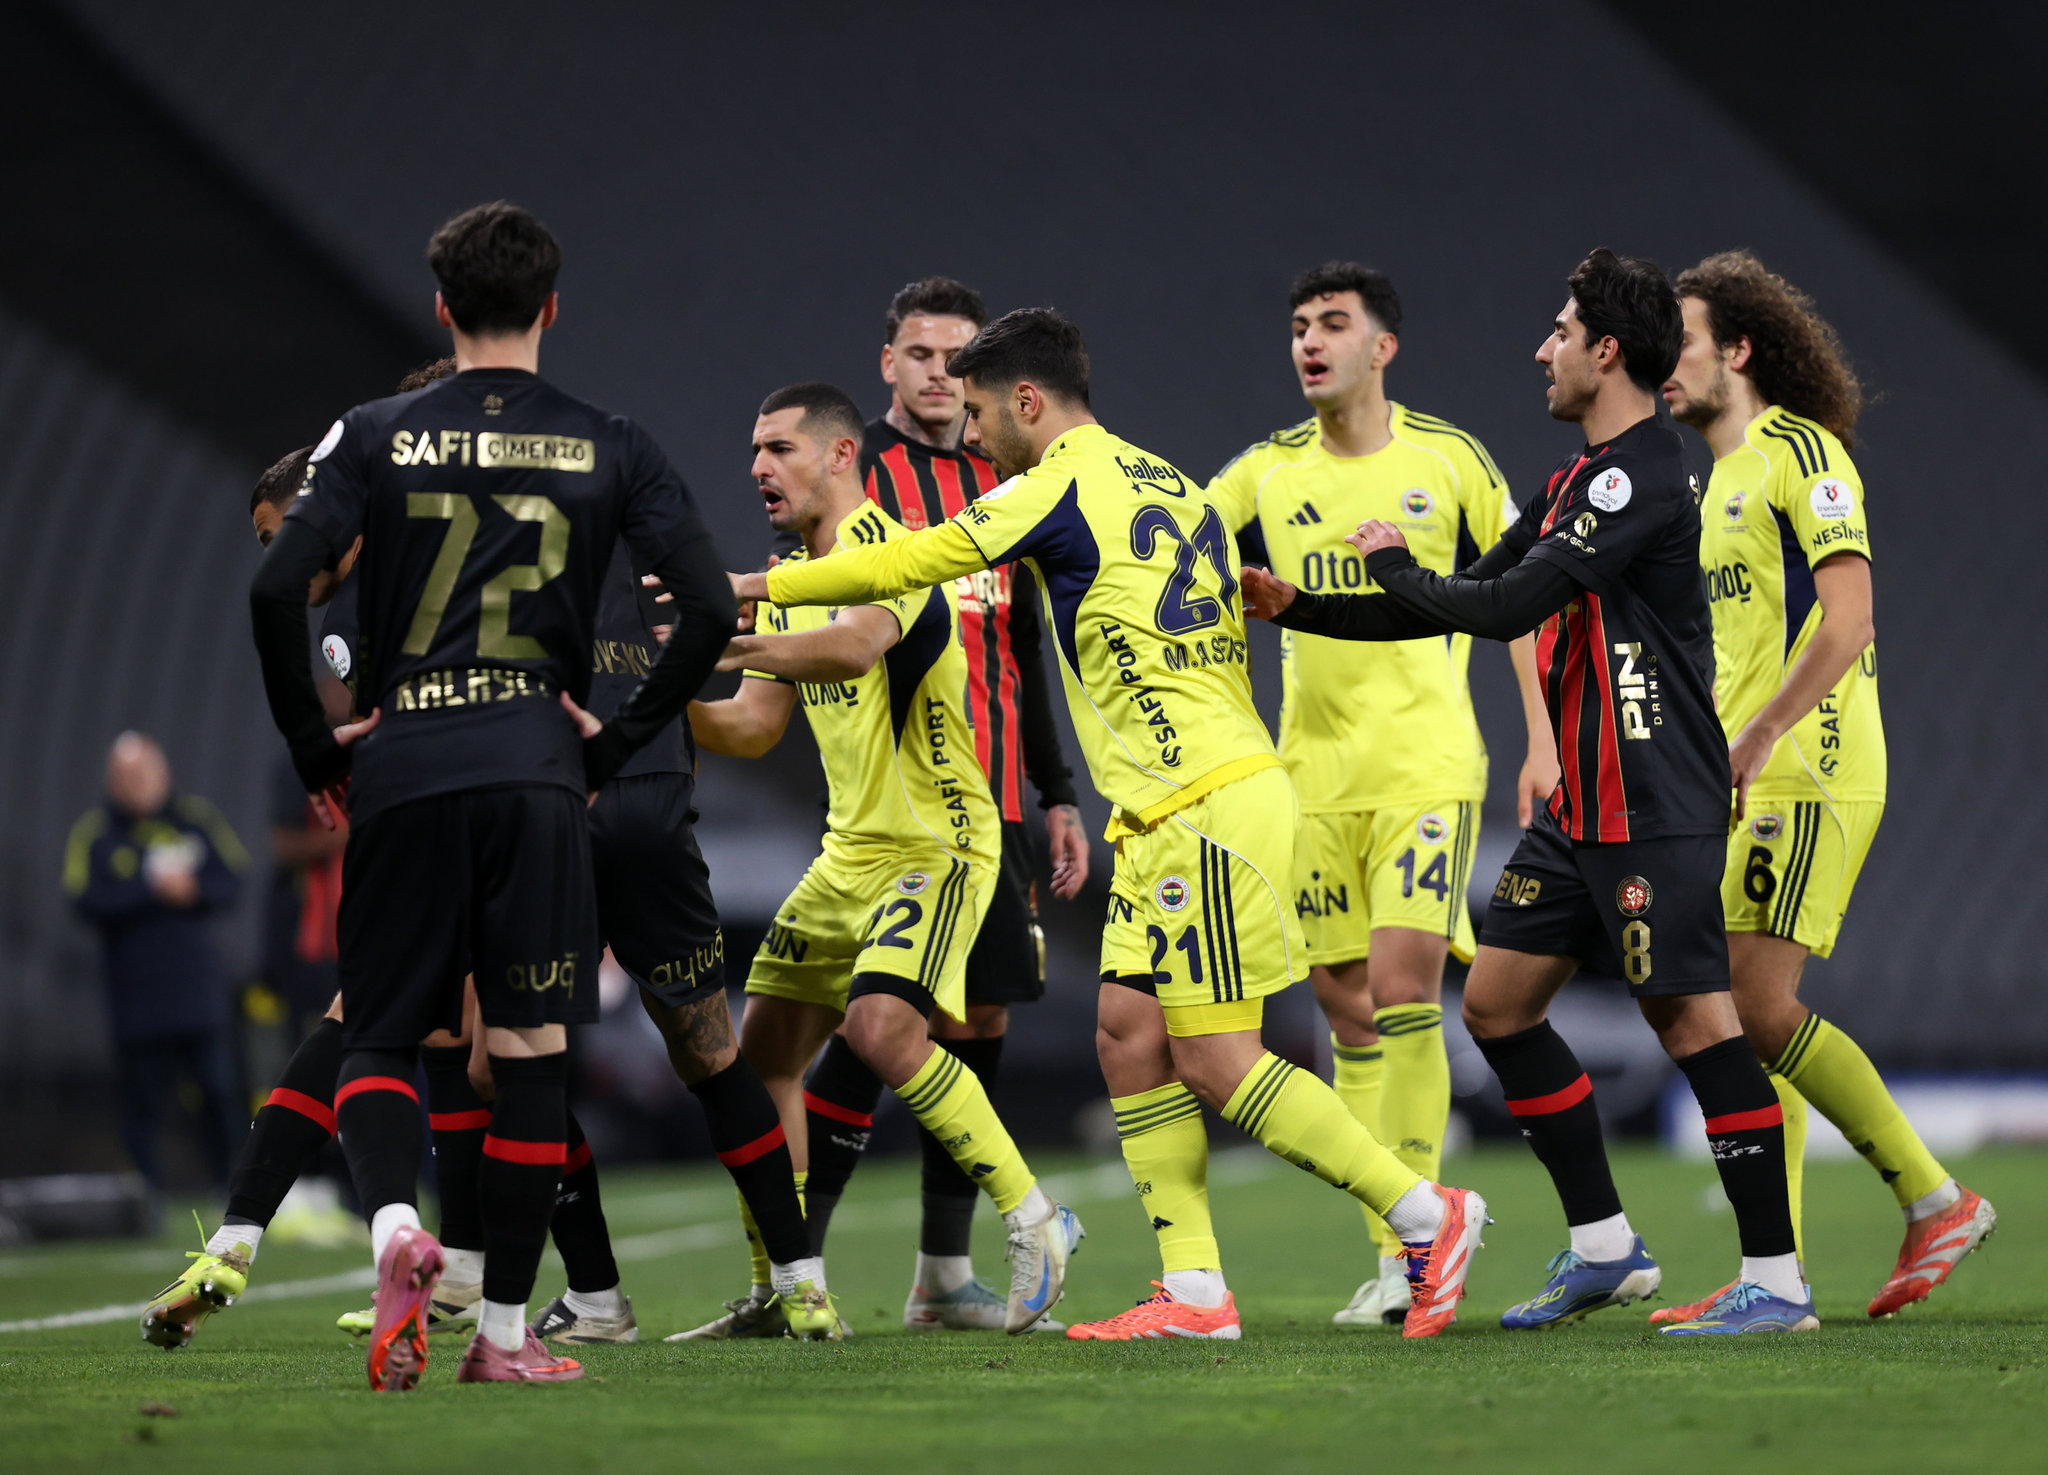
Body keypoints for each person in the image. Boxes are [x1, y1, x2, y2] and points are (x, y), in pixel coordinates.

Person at [735, 312, 1487, 1343]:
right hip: (1164, 810)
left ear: (1027, 401)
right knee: (1128, 1036)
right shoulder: (1174, 482)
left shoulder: (1055, 482)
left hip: (1202, 805)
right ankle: (1194, 1290)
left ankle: (1425, 1212)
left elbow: (910, 562)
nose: (974, 434)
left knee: (1217, 1059)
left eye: (983, 412)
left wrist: (751, 587)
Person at [1244, 248, 1813, 1336]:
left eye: (1560, 332)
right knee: (1498, 1004)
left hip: (1650, 795)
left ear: (1607, 351)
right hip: (1576, 812)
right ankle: (1603, 1246)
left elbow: (1504, 608)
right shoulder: (1569, 482)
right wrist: (1300, 606)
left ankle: (1776, 1283)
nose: (1541, 349)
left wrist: (1389, 560)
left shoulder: (1637, 475)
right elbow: (1462, 594)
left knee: (1694, 1020)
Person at [247, 201, 737, 1388]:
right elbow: (711, 608)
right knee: (525, 1053)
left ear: (440, 307)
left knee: (379, 1029)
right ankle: (506, 1337)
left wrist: (316, 748)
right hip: (534, 768)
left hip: (406, 764)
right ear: (551, 307)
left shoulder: (372, 434)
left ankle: (393, 1226)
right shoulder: (606, 439)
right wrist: (619, 740)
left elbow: (275, 587)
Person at [682, 382, 1083, 1339]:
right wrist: (667, 700)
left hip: (936, 845)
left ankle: (1036, 1217)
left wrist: (729, 641)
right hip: (847, 856)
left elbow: (856, 649)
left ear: (838, 456)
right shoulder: (793, 573)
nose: (758, 467)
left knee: (883, 1030)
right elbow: (752, 727)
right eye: (755, 450)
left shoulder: (894, 549)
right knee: (760, 1060)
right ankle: (786, 1285)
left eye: (778, 448)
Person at [1209, 261, 1557, 1326]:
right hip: (1311, 774)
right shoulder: (1263, 471)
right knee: (1342, 1003)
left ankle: (1424, 1249)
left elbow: (1523, 594)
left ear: (1382, 346)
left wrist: (1542, 739)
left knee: (1405, 989)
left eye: (1332, 324)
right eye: (1298, 326)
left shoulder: (1447, 459)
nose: (1309, 342)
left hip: (1425, 765)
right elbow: (1175, 548)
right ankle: (1398, 1242)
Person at [1653, 250, 1993, 1322]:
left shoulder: (1804, 453)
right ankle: (1776, 1273)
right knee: (1743, 1014)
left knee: (1751, 1003)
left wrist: (1759, 734)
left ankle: (1933, 1199)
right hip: (1749, 772)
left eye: (1681, 341)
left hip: (1809, 764)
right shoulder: (1716, 481)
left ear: (1739, 348)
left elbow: (1848, 621)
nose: (1663, 363)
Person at [784, 276, 1088, 1333]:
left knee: (976, 1015)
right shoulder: (848, 470)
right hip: (891, 810)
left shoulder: (1007, 475)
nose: (939, 376)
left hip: (994, 799)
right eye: (920, 354)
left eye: (958, 360)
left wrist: (1056, 790)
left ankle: (940, 1274)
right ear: (887, 363)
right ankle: (797, 1261)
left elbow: (1023, 642)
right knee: (878, 1023)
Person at [65, 733, 247, 1193]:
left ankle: (237, 1193)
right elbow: (83, 901)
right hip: (137, 999)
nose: (139, 784)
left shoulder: (195, 820)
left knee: (218, 1092)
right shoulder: (96, 833)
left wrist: (193, 890)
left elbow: (232, 880)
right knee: (141, 1102)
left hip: (198, 993)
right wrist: (150, 890)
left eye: (145, 773)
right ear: (112, 782)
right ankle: (144, 1199)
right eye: (127, 777)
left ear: (164, 773)